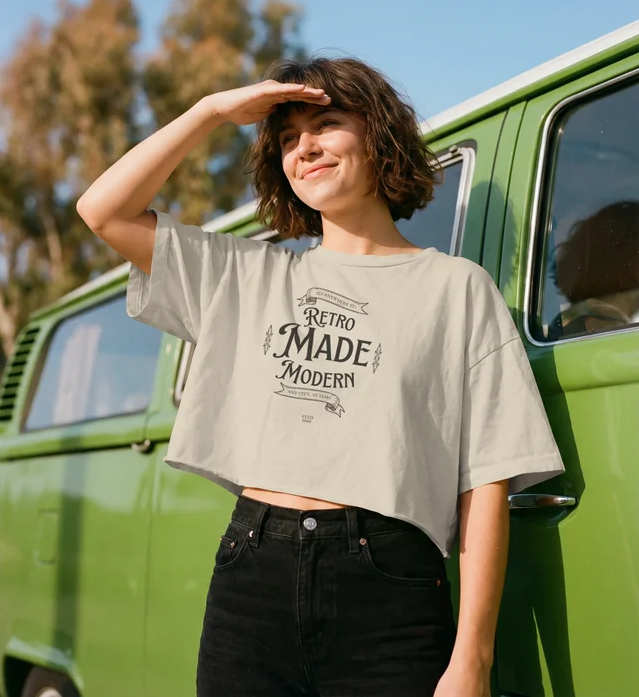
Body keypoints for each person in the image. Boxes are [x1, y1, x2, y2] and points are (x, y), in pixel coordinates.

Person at [77, 56, 565, 697]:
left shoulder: (457, 289)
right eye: (286, 139)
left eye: (327, 124)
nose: (304, 147)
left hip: (390, 586)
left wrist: (472, 660)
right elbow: (103, 211)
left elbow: (486, 483)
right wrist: (213, 111)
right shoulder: (249, 276)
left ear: (379, 136)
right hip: (251, 577)